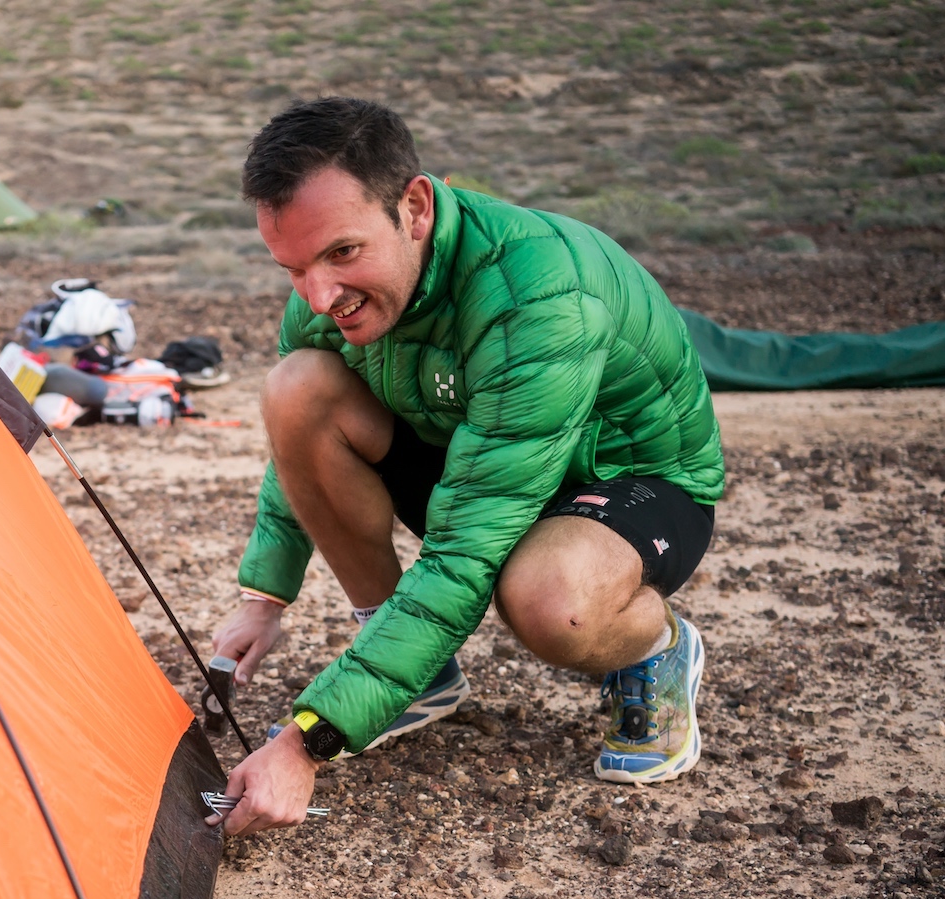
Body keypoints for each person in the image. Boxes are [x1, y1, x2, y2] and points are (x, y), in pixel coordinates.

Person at [207, 97, 724, 837]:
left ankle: (657, 648)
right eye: (294, 268)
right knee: (297, 387)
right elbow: (296, 447)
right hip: (481, 456)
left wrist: (308, 742)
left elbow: (462, 550)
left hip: (626, 479)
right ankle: (416, 675)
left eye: (342, 253)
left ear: (415, 208)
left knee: (549, 600)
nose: (320, 297)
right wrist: (265, 596)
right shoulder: (331, 303)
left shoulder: (538, 294)